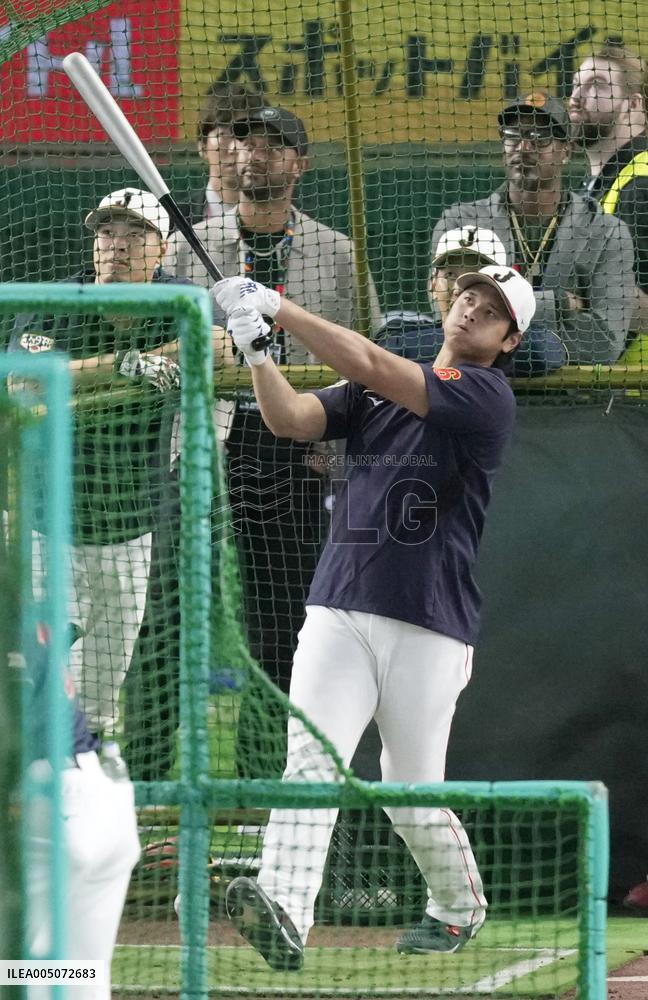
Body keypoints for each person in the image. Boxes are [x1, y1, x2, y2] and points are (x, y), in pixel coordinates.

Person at [210, 264, 537, 969]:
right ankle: (287, 912)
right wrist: (259, 353)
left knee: (409, 790)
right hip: (339, 606)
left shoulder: (485, 396)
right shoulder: (375, 387)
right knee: (311, 760)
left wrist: (279, 309)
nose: (474, 308)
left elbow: (371, 362)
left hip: (430, 620)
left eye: (493, 311)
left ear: (509, 341)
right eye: (470, 295)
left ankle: (458, 906)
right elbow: (292, 420)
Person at [164, 105, 382, 778]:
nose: (256, 155)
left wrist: (341, 459)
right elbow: (164, 353)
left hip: (294, 448)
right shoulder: (187, 247)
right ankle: (163, 780)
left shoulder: (340, 255)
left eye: (274, 146)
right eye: (248, 143)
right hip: (207, 442)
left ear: (300, 164)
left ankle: (274, 778)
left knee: (284, 618)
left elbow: (365, 360)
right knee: (172, 614)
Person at [7, 188, 204, 741]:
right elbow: (23, 378)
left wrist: (156, 358)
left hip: (130, 532)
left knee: (96, 703)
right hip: (47, 523)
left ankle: (84, 808)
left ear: (161, 249)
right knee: (36, 671)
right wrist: (122, 366)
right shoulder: (55, 300)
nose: (115, 246)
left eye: (133, 234)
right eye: (106, 233)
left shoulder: (178, 299)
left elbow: (218, 347)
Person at [431, 92, 635, 364]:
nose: (523, 147)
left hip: (574, 400)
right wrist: (558, 304)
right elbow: (448, 320)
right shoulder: (461, 222)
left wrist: (493, 326)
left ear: (566, 150)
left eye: (539, 138)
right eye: (513, 135)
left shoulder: (606, 232)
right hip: (475, 389)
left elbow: (604, 343)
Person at [23, 614, 140, 1000]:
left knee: (22, 974)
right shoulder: (16, 605)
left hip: (46, 814)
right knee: (80, 976)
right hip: (102, 803)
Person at [381, 225, 567, 374]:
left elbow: (545, 351)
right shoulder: (400, 329)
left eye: (476, 276)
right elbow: (386, 348)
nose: (457, 289)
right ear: (432, 284)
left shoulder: (528, 339)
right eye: (451, 274)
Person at [569, 43, 648, 348]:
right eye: (576, 84)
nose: (576, 97)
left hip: (634, 390)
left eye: (596, 85)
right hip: (605, 388)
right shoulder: (596, 185)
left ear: (633, 104)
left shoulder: (640, 186)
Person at [187, 81, 266, 222]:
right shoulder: (172, 220)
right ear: (202, 147)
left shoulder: (291, 220)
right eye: (223, 135)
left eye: (245, 136)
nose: (234, 148)